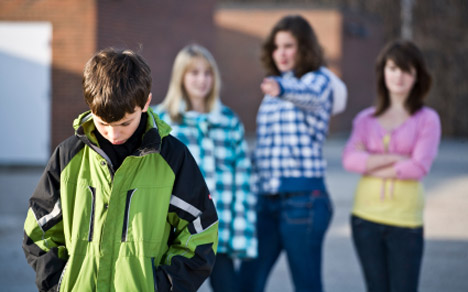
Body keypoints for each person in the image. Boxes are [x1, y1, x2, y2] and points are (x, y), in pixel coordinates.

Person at [22, 48, 219, 292]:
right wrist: (59, 284)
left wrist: (162, 286)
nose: (114, 134)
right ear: (90, 106)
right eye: (103, 123)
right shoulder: (68, 156)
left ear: (145, 102)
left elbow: (201, 233)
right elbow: (39, 231)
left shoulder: (173, 158)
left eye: (125, 123)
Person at [239, 15, 348, 292]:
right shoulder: (275, 88)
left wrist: (283, 88)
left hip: (304, 201)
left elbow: (309, 95)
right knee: (247, 282)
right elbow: (267, 147)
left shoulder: (320, 80)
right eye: (277, 47)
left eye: (289, 46)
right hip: (266, 199)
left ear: (304, 47)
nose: (281, 53)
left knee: (307, 285)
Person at [154, 44, 257, 292]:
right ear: (181, 77)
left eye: (207, 72)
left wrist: (241, 234)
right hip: (177, 234)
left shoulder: (229, 121)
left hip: (217, 231)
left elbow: (243, 180)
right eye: (194, 73)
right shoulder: (161, 121)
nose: (202, 80)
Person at [342, 40, 441, 292]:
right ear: (383, 72)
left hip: (405, 221)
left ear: (417, 75)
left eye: (407, 70)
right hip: (365, 218)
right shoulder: (365, 119)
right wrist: (396, 159)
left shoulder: (427, 119)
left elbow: (419, 168)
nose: (399, 76)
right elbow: (349, 160)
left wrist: (369, 162)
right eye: (393, 68)